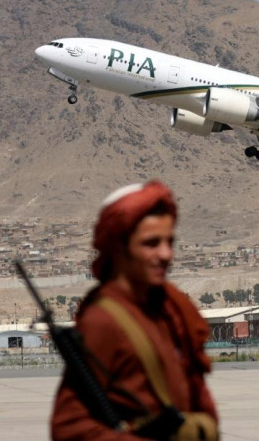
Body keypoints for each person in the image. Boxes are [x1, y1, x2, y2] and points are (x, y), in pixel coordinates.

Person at [51, 181, 218, 440]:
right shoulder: (104, 320)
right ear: (119, 247)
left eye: (169, 242)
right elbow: (70, 427)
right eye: (151, 243)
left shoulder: (172, 310)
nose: (166, 254)